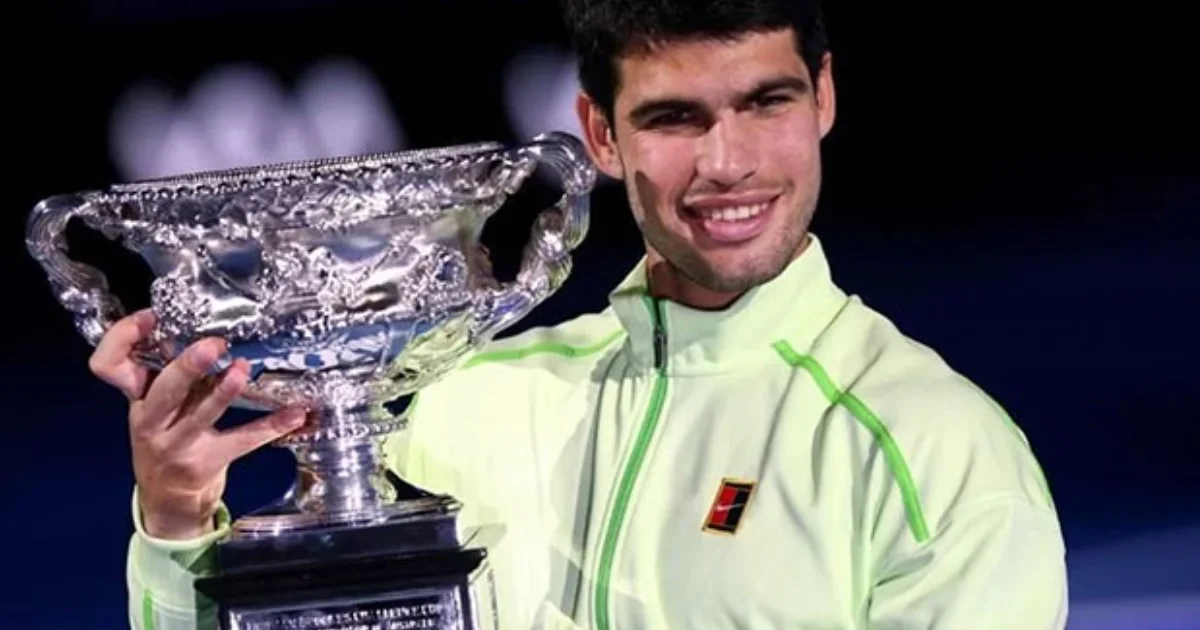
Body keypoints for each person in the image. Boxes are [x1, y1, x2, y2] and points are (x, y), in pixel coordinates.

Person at [92, 0, 1069, 628]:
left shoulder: (933, 451)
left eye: (765, 102)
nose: (727, 163)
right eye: (674, 118)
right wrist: (179, 525)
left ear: (823, 98)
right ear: (598, 134)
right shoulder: (463, 404)